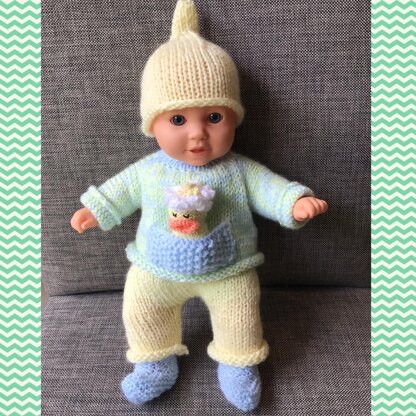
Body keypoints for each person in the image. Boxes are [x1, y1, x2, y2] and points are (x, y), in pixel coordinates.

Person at [70, 0, 328, 411]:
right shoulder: (149, 170)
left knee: (241, 316)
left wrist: (293, 202)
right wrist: (97, 210)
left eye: (213, 117)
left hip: (230, 270)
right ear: (152, 124)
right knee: (141, 308)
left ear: (234, 117)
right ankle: (155, 362)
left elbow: (269, 187)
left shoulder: (237, 170)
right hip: (155, 268)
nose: (197, 135)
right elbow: (119, 191)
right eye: (178, 120)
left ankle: (237, 362)